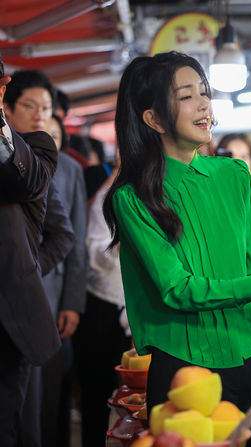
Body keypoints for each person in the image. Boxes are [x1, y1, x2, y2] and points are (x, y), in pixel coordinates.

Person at [103, 52, 251, 447]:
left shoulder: (234, 175)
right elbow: (178, 289)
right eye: (186, 95)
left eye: (204, 92)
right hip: (187, 372)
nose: (203, 104)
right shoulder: (134, 198)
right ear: (154, 119)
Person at [4, 69, 82, 447]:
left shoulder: (40, 153)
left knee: (23, 422)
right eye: (30, 106)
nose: (39, 114)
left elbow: (69, 236)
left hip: (22, 309)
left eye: (45, 107)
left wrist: (23, 277)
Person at [74, 162, 131, 447]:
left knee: (138, 401)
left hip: (145, 312)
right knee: (97, 398)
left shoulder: (165, 189)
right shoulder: (108, 195)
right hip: (104, 307)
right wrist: (123, 241)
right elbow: (94, 253)